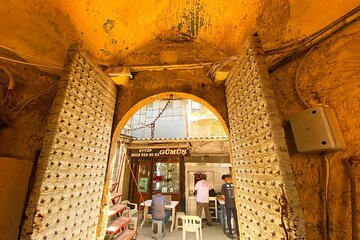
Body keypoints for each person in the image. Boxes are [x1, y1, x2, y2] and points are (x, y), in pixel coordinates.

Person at [221, 174, 239, 239]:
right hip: (235, 204)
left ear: (226, 179)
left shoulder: (224, 186)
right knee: (236, 218)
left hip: (228, 205)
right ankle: (238, 233)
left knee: (228, 218)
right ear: (231, 178)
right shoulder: (234, 185)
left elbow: (223, 196)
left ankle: (230, 234)